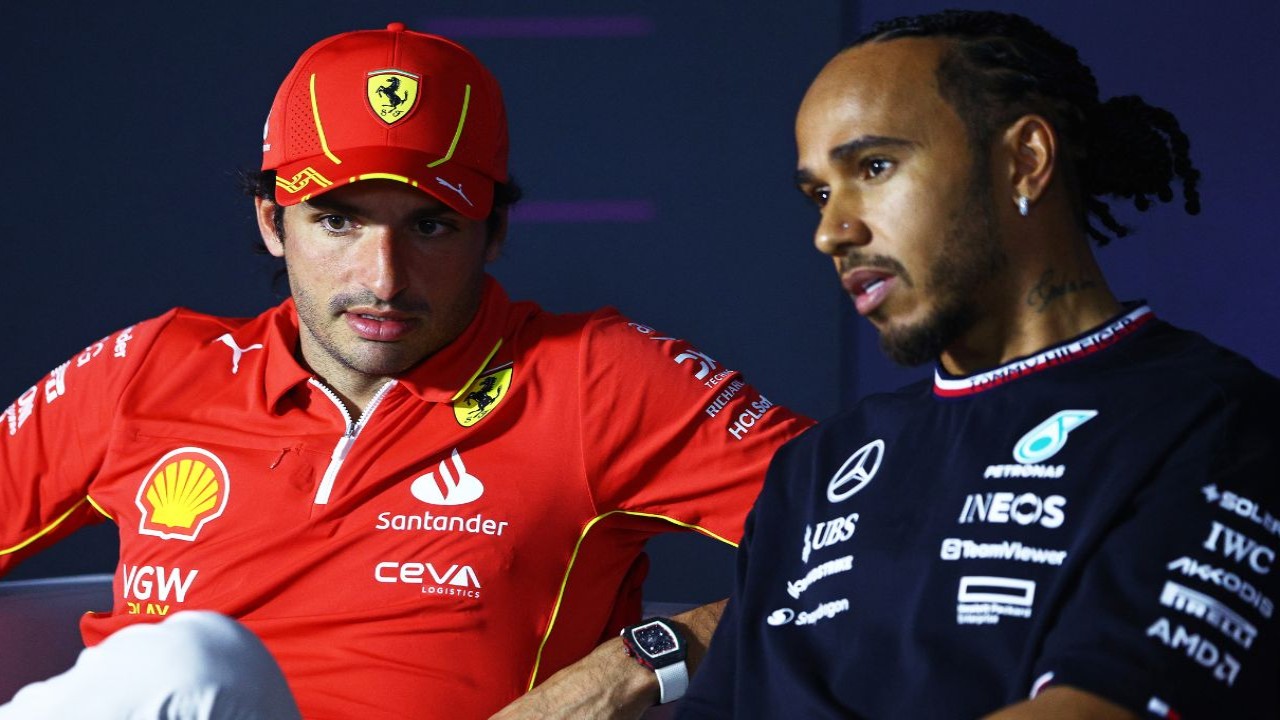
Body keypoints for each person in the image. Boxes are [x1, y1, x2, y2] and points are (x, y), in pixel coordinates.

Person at [0, 22, 812, 719]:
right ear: (271, 221)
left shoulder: (596, 379)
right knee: (186, 667)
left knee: (188, 662)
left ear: (493, 234)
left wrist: (640, 661)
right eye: (338, 220)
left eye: (430, 226)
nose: (383, 279)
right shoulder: (149, 369)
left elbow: (895, 538)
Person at [678, 9, 1279, 719]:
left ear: (1025, 159)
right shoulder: (816, 468)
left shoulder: (1223, 423)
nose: (830, 232)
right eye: (818, 193)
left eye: (873, 167)